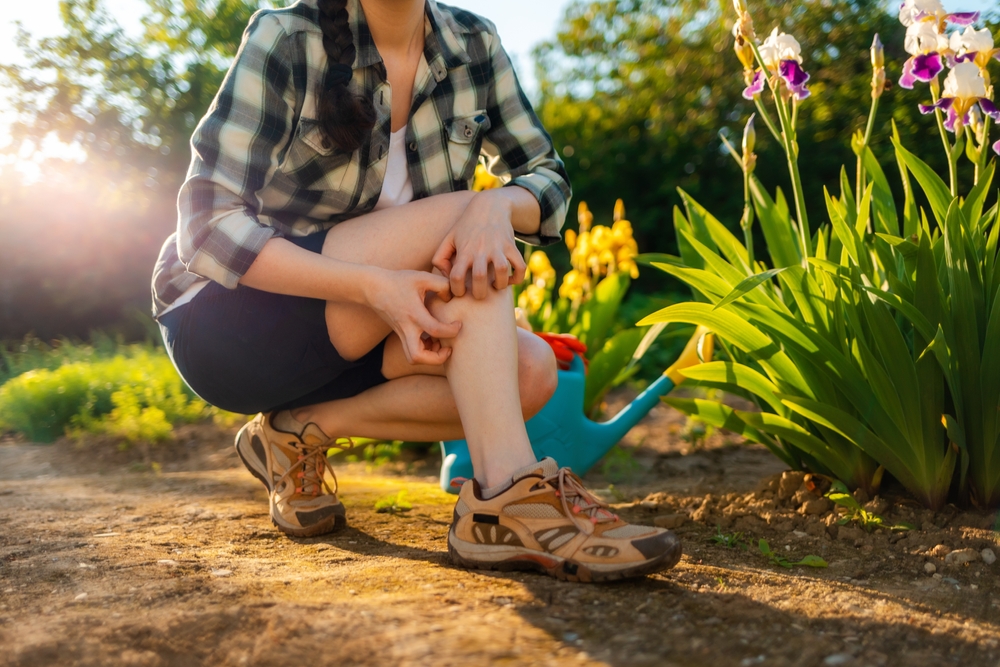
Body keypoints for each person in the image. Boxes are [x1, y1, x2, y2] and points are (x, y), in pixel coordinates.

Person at [152, 0, 681, 582]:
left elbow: (548, 178)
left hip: (358, 331)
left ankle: (299, 430)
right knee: (458, 219)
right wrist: (375, 286)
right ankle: (505, 494)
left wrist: (497, 205)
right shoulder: (288, 37)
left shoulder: (473, 45)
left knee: (530, 371)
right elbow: (205, 227)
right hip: (226, 324)